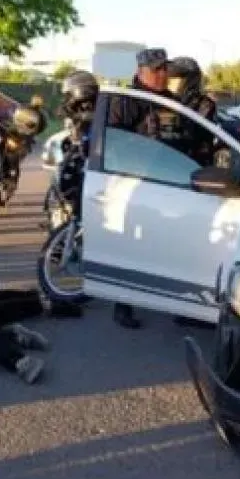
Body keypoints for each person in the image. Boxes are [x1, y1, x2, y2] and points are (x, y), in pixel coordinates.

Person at [106, 47, 179, 329]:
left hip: (170, 181)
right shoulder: (126, 100)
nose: (162, 74)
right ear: (140, 72)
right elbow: (114, 140)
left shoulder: (172, 101)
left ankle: (176, 302)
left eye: (165, 69)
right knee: (130, 244)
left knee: (168, 241)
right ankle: (122, 303)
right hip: (135, 183)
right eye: (156, 69)